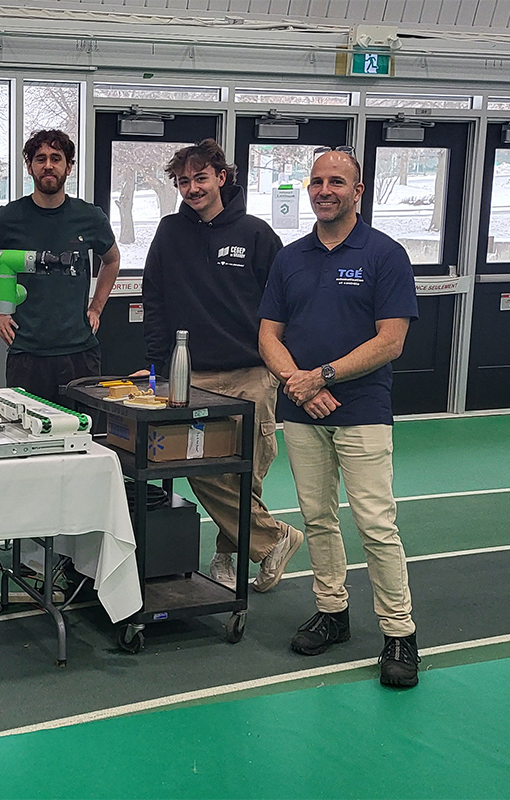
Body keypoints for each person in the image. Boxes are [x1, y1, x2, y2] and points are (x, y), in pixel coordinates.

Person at [257, 146, 421, 687]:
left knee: (375, 522)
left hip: (363, 411)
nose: (324, 190)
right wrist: (299, 386)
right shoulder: (291, 257)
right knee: (318, 518)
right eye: (316, 181)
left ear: (358, 191)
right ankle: (332, 612)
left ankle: (399, 633)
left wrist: (321, 376)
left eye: (336, 181)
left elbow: (391, 341)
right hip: (303, 410)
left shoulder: (385, 254)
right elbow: (268, 336)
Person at [141, 139, 302, 594]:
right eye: (184, 181)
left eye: (201, 178)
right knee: (200, 465)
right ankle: (273, 540)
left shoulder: (256, 234)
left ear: (221, 178)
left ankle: (226, 555)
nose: (192, 188)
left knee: (245, 474)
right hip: (189, 377)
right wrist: (157, 366)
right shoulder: (169, 232)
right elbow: (154, 299)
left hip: (252, 373)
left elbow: (284, 305)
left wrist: (280, 365)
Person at [0, 129, 120, 405]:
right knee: (27, 438)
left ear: (69, 167)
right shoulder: (8, 218)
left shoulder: (89, 217)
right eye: (40, 158)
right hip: (28, 355)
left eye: (56, 158)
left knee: (83, 438)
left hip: (79, 354)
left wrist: (97, 306)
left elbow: (112, 259)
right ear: (30, 167)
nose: (48, 165)